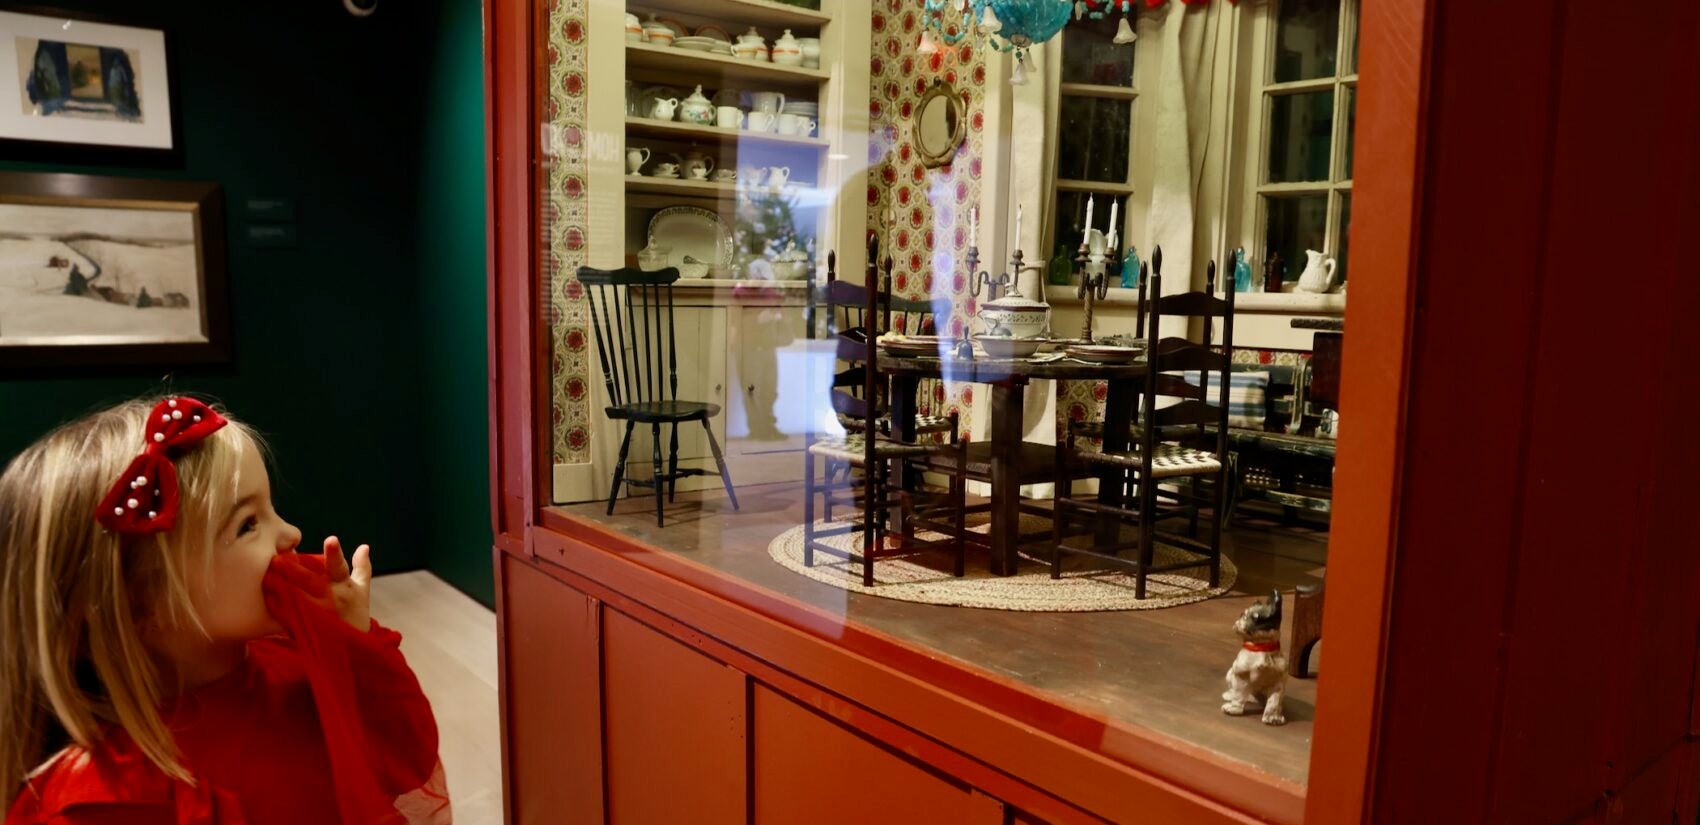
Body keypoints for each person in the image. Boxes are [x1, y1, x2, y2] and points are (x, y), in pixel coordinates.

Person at [0, 396, 450, 824]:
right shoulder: (102, 799)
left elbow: (405, 759)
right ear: (141, 604)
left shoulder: (294, 670)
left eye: (271, 509)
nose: (292, 533)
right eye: (248, 524)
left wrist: (354, 648)